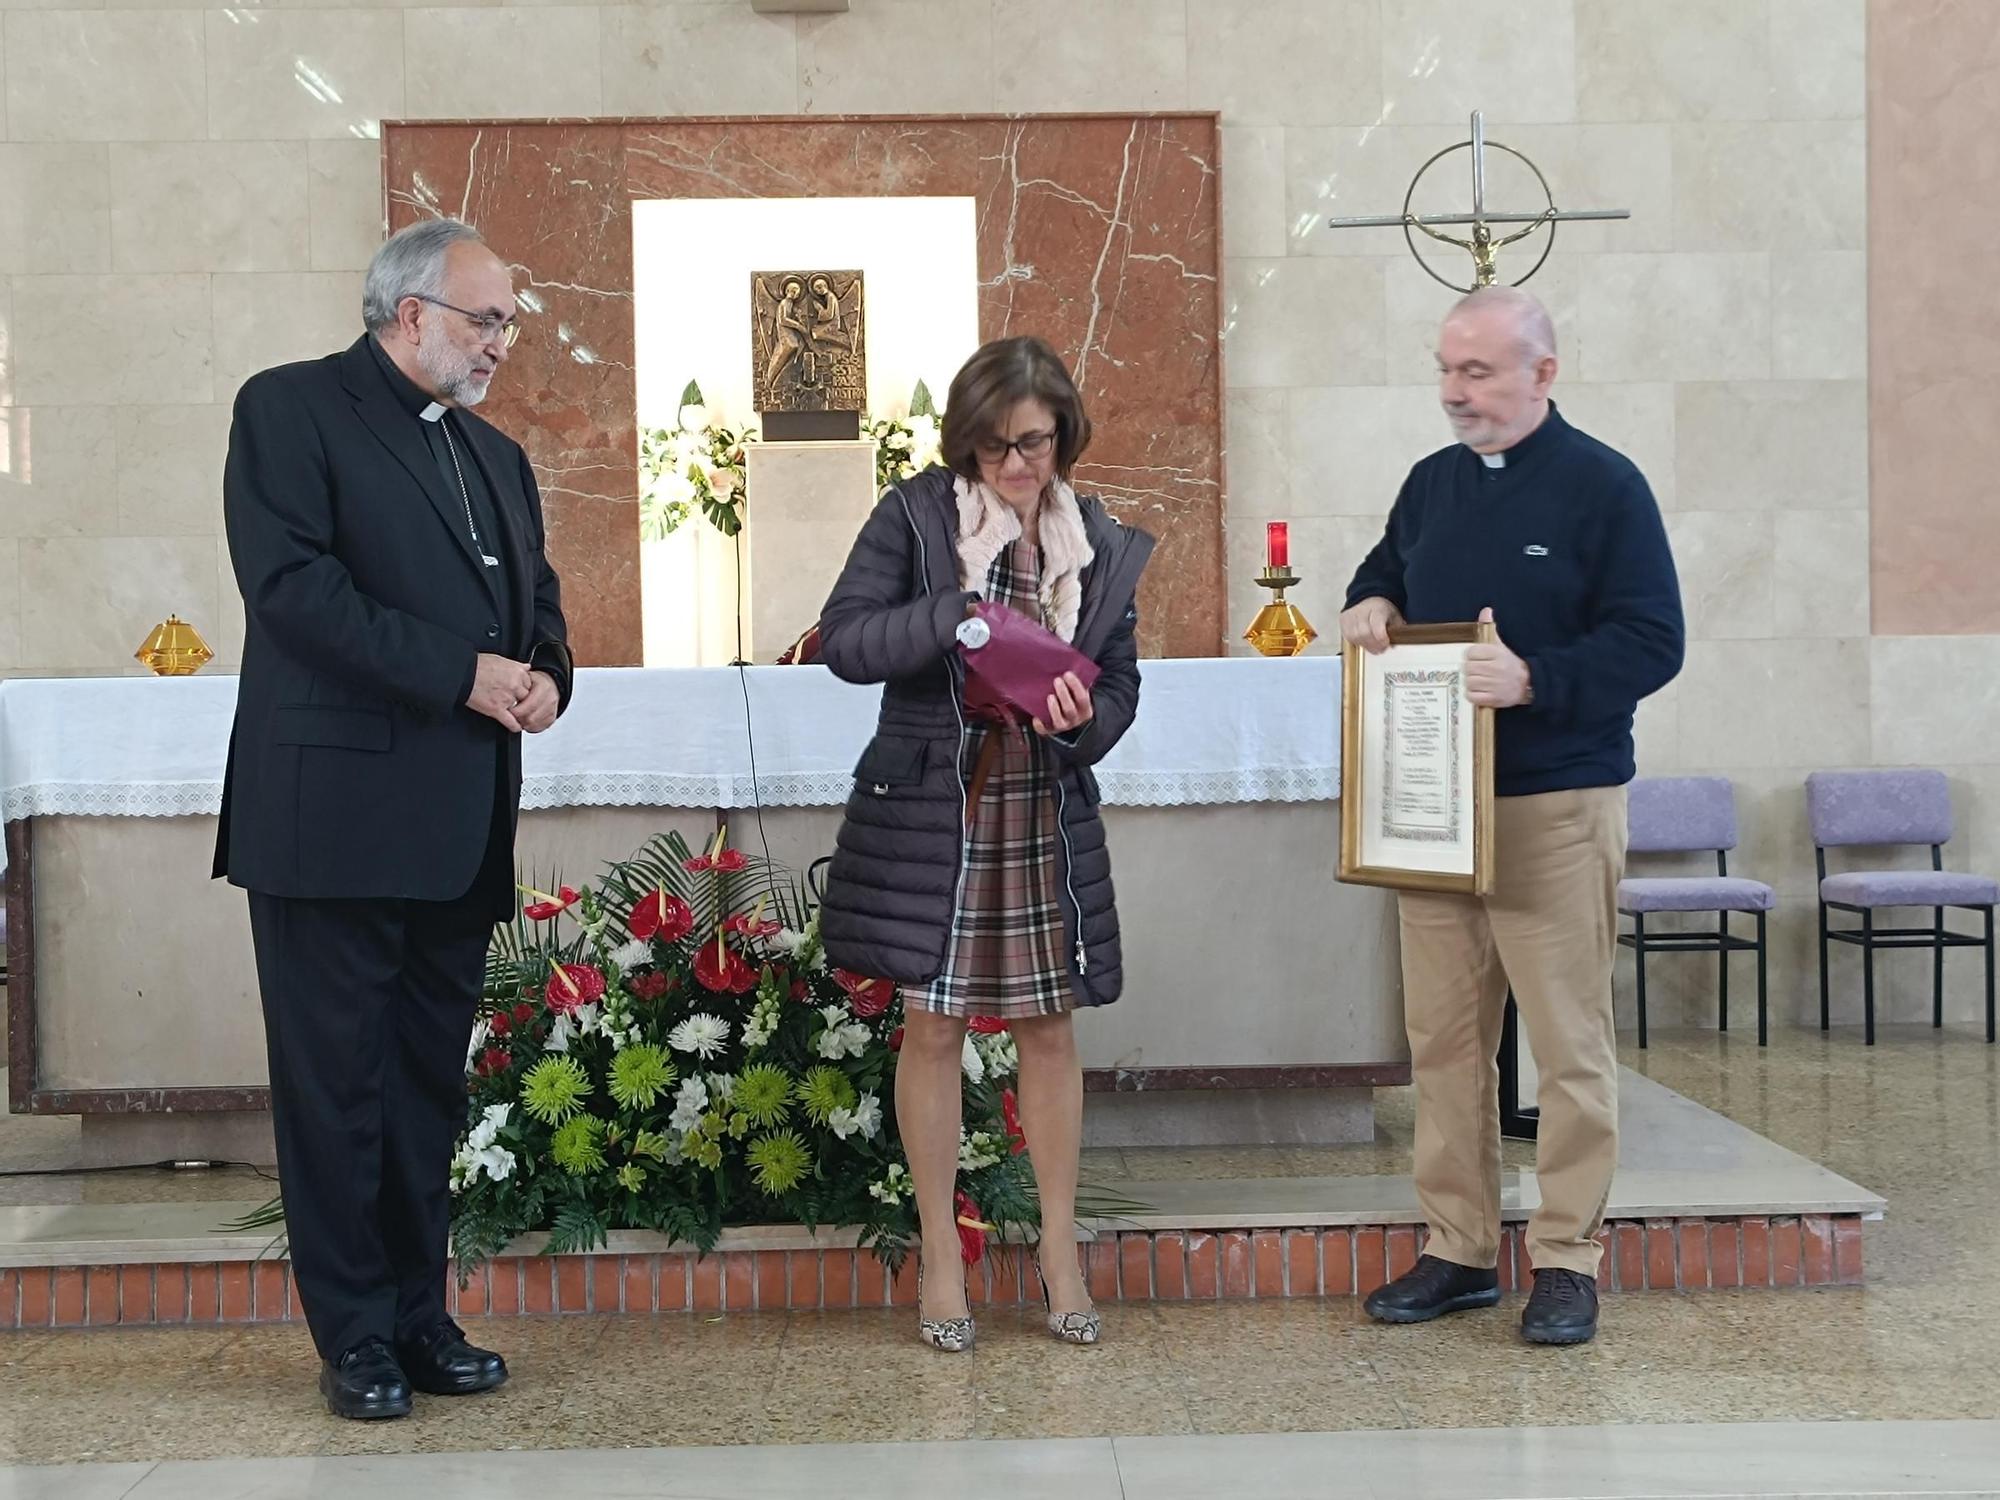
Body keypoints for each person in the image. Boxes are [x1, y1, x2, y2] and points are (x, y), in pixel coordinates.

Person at [215, 217, 572, 1418]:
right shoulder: (290, 409)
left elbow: (540, 603)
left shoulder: (497, 458)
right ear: (409, 312)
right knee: (337, 1091)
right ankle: (353, 1339)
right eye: (488, 319)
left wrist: (545, 675)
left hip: (456, 826)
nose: (503, 344)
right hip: (332, 824)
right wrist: (463, 674)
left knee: (425, 1089)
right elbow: (294, 593)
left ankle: (420, 1319)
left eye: (510, 322)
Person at [1341, 286, 1683, 1345]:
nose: (1454, 392)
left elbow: (1651, 641)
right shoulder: (1431, 484)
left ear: (1543, 373)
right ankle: (1455, 1249)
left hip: (1552, 804)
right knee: (1440, 1044)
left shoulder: (1604, 488)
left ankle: (1567, 1257)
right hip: (1432, 813)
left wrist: (1533, 679)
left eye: (1477, 372)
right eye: (1445, 370)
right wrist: (1369, 605)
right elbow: (1383, 576)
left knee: (1566, 1046)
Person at [816, 335, 1155, 1352]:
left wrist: (1078, 719)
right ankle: (941, 1254)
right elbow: (844, 640)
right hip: (938, 810)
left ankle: (1058, 1250)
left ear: (1063, 440)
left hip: (1037, 805)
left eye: (1036, 446)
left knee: (1048, 1028)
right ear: (966, 442)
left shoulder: (1091, 539)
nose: (1015, 468)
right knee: (933, 1030)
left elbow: (1120, 685)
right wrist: (952, 615)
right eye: (997, 448)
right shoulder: (916, 517)